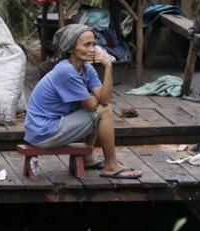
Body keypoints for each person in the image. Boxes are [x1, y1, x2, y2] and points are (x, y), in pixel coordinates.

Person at [24, 23, 142, 178]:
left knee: (101, 108)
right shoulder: (66, 71)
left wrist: (108, 67)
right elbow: (96, 105)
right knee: (101, 111)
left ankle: (87, 158)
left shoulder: (87, 69)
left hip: (54, 125)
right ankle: (111, 165)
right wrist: (96, 95)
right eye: (87, 45)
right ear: (71, 49)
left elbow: (105, 99)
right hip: (42, 131)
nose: (92, 49)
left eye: (94, 44)